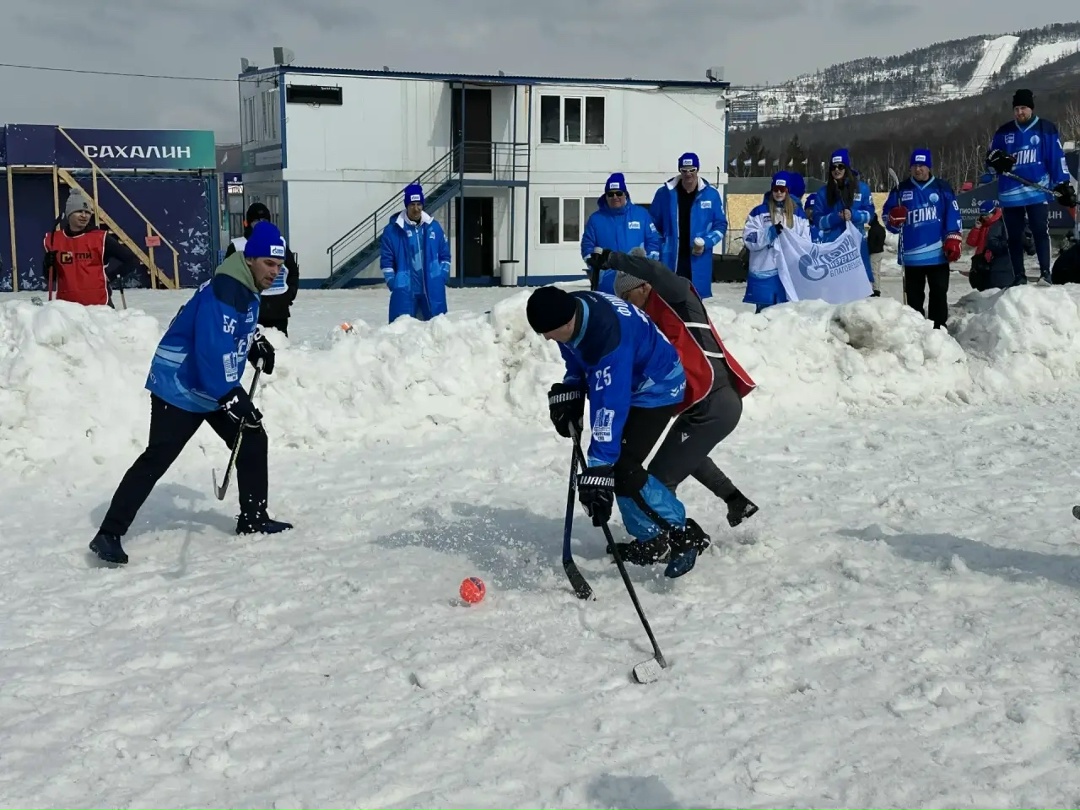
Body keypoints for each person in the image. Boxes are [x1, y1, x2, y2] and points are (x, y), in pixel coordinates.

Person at [87, 221, 294, 566]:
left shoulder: (245, 285)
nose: (275, 272)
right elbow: (209, 350)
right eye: (269, 264)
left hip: (211, 384)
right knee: (158, 457)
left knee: (253, 438)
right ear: (251, 258)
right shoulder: (226, 290)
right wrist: (231, 397)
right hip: (179, 385)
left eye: (279, 265)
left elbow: (234, 328)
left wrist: (254, 340)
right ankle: (108, 533)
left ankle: (253, 517)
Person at [526, 285, 707, 578]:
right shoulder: (571, 309)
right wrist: (572, 387)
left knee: (621, 467)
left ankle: (682, 533)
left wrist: (598, 466)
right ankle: (653, 539)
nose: (547, 338)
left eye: (549, 332)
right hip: (632, 380)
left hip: (656, 386)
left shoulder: (608, 339)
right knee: (618, 468)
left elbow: (609, 406)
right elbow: (575, 354)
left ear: (568, 322)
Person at [587, 245, 759, 536]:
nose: (629, 306)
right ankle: (735, 500)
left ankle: (669, 540)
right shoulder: (647, 320)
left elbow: (654, 269)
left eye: (628, 297)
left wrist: (612, 259)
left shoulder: (677, 296)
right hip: (704, 405)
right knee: (682, 452)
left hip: (715, 401)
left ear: (642, 287)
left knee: (659, 477)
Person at [985, 89, 1075, 286]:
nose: (1019, 112)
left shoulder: (1045, 129)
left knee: (1040, 231)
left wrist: (1063, 183)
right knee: (1014, 236)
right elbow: (990, 160)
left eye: (1023, 108)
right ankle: (1019, 276)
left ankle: (1045, 273)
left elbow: (1056, 158)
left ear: (1031, 108)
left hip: (1037, 190)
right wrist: (995, 162)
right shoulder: (1004, 132)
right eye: (1016, 109)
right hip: (1010, 192)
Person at [883, 148, 963, 329]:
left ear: (929, 167)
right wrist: (893, 220)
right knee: (914, 297)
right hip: (912, 256)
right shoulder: (901, 190)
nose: (918, 169)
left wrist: (953, 238)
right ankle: (917, 331)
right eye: (915, 166)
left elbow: (953, 213)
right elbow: (888, 219)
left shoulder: (942, 188)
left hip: (938, 253)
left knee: (939, 292)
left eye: (922, 165)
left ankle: (939, 329)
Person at [649, 152, 728, 299]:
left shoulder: (711, 195)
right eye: (684, 171)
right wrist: (661, 245)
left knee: (695, 302)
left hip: (698, 259)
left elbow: (721, 225)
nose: (688, 175)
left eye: (692, 170)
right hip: (671, 259)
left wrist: (706, 242)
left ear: (697, 170)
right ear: (680, 171)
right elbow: (652, 226)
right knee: (670, 300)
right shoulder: (664, 194)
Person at [43, 188, 140, 306]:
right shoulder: (55, 240)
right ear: (69, 213)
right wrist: (47, 265)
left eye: (87, 212)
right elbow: (51, 278)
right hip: (67, 308)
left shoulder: (101, 238)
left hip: (99, 307)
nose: (84, 215)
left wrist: (110, 276)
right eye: (79, 211)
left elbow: (132, 260)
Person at [224, 202, 300, 336]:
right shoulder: (237, 246)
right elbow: (227, 278)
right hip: (249, 309)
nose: (260, 225)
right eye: (256, 222)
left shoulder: (280, 243)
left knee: (282, 351)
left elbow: (292, 271)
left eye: (264, 221)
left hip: (278, 309)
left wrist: (289, 295)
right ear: (247, 223)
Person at [379, 183, 452, 323]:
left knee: (435, 330)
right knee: (402, 330)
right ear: (406, 205)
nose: (416, 208)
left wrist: (441, 275)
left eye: (419, 204)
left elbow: (445, 255)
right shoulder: (392, 231)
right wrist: (393, 282)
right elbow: (386, 260)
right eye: (412, 204)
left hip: (431, 288)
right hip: (404, 289)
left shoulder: (434, 228)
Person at [580, 172, 661, 293]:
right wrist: (592, 261)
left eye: (619, 193)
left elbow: (653, 241)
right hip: (606, 284)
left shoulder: (641, 215)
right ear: (605, 196)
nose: (615, 197)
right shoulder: (596, 219)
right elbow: (587, 245)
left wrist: (648, 262)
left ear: (625, 195)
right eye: (610, 194)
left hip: (636, 283)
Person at [742, 172, 810, 312]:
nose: (779, 193)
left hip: (789, 271)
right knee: (764, 313)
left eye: (782, 190)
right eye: (776, 189)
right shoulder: (758, 212)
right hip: (765, 271)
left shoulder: (798, 215)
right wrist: (769, 234)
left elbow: (806, 242)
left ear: (788, 191)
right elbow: (749, 238)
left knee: (786, 314)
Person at [812, 149, 875, 288]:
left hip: (856, 245)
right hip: (833, 247)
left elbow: (870, 214)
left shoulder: (862, 189)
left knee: (858, 291)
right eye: (833, 167)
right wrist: (835, 217)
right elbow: (818, 221)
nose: (837, 170)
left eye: (840, 166)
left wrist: (854, 215)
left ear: (847, 168)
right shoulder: (823, 192)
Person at [965, 199, 1013, 291]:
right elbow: (971, 242)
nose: (985, 218)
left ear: (993, 212)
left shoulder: (1000, 224)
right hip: (981, 259)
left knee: (992, 287)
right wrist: (976, 229)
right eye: (982, 216)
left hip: (994, 259)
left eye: (987, 215)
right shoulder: (982, 225)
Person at [866, 213, 886, 296]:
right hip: (880, 251)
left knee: (874, 271)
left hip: (874, 253)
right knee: (877, 271)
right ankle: (877, 288)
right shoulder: (881, 228)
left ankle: (875, 290)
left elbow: (871, 243)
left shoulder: (872, 230)